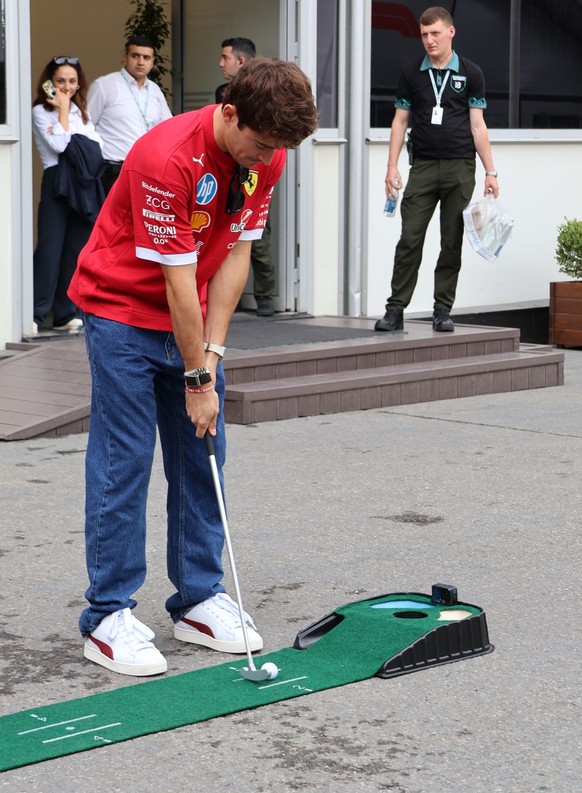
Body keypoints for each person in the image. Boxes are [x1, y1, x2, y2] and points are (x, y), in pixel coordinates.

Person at [68, 57, 318, 677]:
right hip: (122, 312)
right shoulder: (165, 157)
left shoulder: (266, 154)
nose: (269, 159)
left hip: (191, 320)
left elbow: (234, 256)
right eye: (262, 145)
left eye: (278, 150)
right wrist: (196, 378)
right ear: (229, 113)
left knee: (203, 455)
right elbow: (176, 283)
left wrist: (213, 354)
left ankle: (199, 597)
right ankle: (107, 614)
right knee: (125, 460)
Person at [374, 6, 499, 334]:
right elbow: (400, 121)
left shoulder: (471, 73)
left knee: (451, 241)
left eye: (435, 34)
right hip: (423, 167)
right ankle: (395, 310)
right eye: (424, 35)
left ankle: (442, 310)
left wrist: (491, 171)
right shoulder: (411, 72)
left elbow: (478, 126)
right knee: (409, 238)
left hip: (460, 167)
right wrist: (391, 166)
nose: (429, 40)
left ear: (450, 32)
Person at [32, 56, 103, 335]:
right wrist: (63, 113)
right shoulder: (40, 111)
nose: (66, 87)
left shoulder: (82, 112)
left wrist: (69, 129)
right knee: (49, 250)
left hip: (82, 183)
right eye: (60, 81)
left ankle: (66, 314)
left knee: (75, 249)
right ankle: (36, 314)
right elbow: (61, 145)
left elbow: (96, 148)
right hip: (56, 181)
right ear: (49, 83)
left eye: (72, 81)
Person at [216, 37, 276, 317]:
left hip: (253, 171)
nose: (221, 63)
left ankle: (265, 297)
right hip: (224, 172)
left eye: (225, 57)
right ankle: (227, 297)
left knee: (256, 233)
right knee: (221, 232)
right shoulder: (223, 93)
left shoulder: (267, 91)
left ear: (241, 60)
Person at [88, 35, 172, 195]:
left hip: (145, 170)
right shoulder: (104, 85)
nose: (140, 62)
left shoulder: (155, 90)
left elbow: (167, 129)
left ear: (153, 61)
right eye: (135, 56)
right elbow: (86, 127)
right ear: (125, 57)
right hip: (112, 169)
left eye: (146, 57)